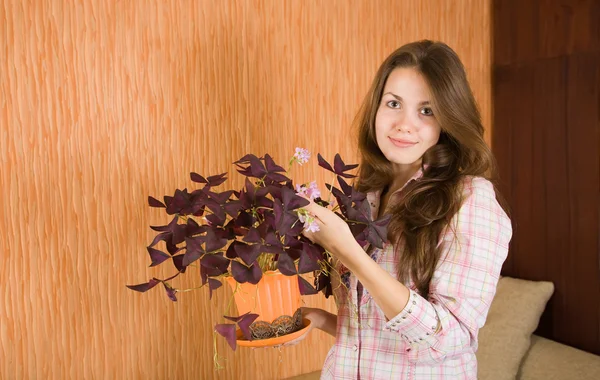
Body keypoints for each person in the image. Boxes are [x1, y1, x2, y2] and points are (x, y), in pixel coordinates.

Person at [296, 40, 513, 379]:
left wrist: (348, 251)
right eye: (393, 103)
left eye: (426, 110)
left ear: (448, 120)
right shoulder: (366, 192)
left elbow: (448, 339)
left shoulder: (471, 199)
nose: (404, 124)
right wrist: (320, 319)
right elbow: (378, 331)